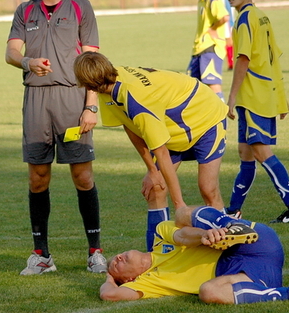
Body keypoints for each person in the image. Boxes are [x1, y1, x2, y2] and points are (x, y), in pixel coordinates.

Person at [5, 0, 106, 275]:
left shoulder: (81, 7)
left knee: (82, 175)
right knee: (37, 177)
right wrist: (27, 62)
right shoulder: (25, 10)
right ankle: (41, 255)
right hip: (36, 101)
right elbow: (10, 51)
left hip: (72, 99)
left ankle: (95, 251)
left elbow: (92, 62)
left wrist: (91, 105)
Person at [74, 52, 228, 251]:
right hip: (172, 128)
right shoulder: (107, 88)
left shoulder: (136, 98)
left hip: (205, 118)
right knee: (155, 188)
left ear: (87, 84)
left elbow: (161, 152)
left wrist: (179, 204)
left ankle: (229, 243)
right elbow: (130, 125)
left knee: (208, 188)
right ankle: (158, 255)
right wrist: (151, 170)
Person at [99, 205, 289, 304]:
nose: (117, 258)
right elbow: (110, 295)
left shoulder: (160, 236)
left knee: (182, 213)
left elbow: (181, 236)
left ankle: (228, 225)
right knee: (208, 292)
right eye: (116, 266)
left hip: (253, 243)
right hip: (250, 275)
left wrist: (204, 236)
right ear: (129, 280)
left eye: (117, 256)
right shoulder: (148, 283)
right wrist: (109, 278)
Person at [222, 0, 289, 223]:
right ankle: (234, 209)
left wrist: (232, 96)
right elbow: (273, 60)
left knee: (260, 152)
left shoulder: (246, 19)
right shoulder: (262, 16)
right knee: (245, 154)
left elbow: (244, 59)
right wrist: (280, 97)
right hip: (261, 96)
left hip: (254, 97)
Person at [188, 0, 230, 101]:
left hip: (210, 48)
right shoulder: (202, 0)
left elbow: (224, 17)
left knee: (213, 85)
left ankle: (222, 119)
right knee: (192, 87)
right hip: (199, 48)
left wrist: (213, 28)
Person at [212, 0, 235, 70]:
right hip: (226, 16)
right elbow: (223, 1)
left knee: (225, 39)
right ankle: (231, 63)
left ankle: (229, 62)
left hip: (219, 17)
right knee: (229, 40)